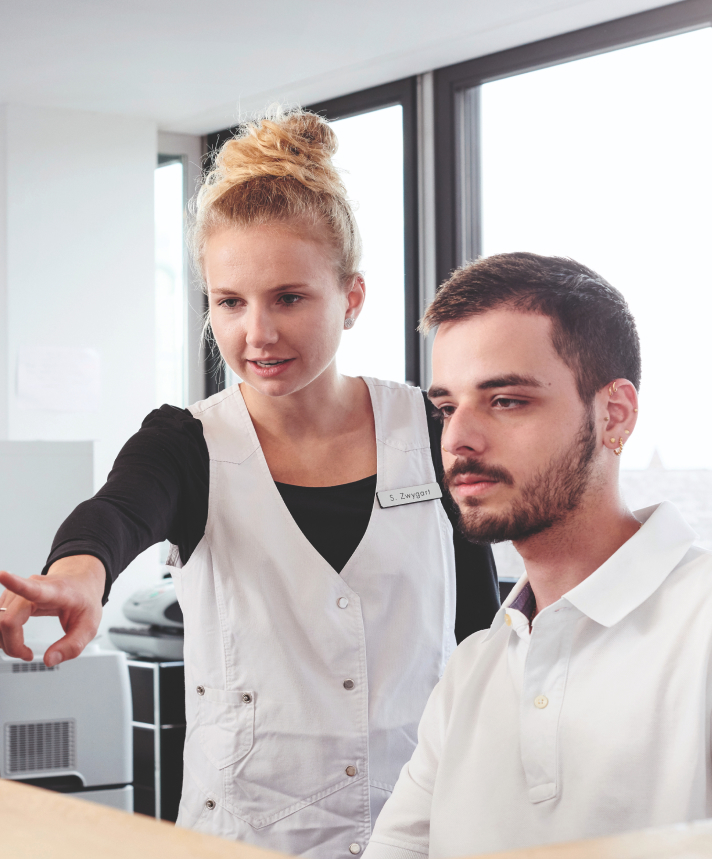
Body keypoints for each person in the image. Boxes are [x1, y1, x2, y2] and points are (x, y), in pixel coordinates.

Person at [0, 109, 499, 857]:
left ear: (351, 298)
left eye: (288, 298)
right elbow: (119, 510)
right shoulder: (187, 443)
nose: (256, 333)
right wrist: (80, 573)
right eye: (230, 301)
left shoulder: (428, 431)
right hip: (243, 834)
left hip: (420, 825)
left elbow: (478, 635)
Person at [363, 251, 712, 859]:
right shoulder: (473, 669)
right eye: (447, 407)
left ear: (614, 415)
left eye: (506, 401)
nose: (458, 439)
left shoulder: (700, 627)